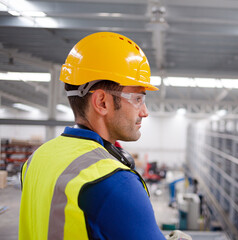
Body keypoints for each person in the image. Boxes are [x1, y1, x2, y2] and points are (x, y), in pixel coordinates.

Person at [19, 32, 168, 239]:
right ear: (102, 102)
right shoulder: (115, 182)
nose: (144, 112)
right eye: (137, 99)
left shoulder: (36, 160)